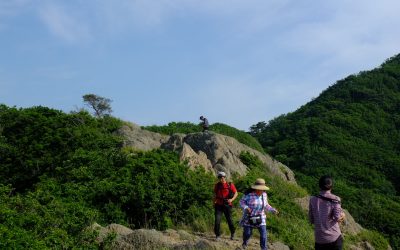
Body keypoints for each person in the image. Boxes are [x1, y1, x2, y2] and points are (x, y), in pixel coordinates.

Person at [239, 178, 278, 250]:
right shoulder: (249, 195)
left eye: (262, 189)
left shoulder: (264, 195)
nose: (261, 191)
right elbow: (241, 202)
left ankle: (264, 248)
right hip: (249, 217)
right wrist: (246, 207)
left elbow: (266, 205)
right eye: (260, 189)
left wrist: (272, 210)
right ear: (255, 188)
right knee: (247, 234)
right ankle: (245, 243)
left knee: (263, 235)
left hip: (261, 217)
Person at [309, 175, 345, 250]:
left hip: (319, 240)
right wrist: (343, 215)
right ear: (331, 186)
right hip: (334, 239)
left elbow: (311, 220)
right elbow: (337, 217)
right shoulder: (335, 199)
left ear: (320, 186)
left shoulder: (312, 199)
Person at [213, 171, 238, 241]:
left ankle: (233, 233)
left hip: (227, 205)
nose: (221, 179)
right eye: (219, 177)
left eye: (222, 177)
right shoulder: (217, 185)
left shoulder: (230, 185)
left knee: (229, 220)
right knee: (217, 221)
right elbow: (214, 195)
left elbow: (236, 193)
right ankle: (217, 235)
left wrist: (231, 200)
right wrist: (213, 203)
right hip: (218, 205)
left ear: (225, 177)